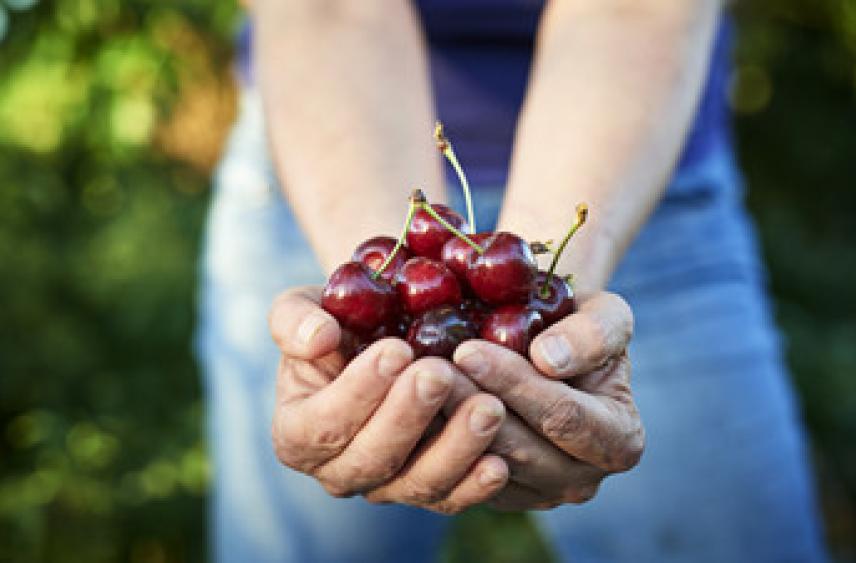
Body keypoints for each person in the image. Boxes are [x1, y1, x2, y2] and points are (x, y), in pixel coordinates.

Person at [196, 1, 829, 561]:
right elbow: (329, 8)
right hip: (332, 160)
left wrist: (542, 304)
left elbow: (633, 8)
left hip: (636, 169)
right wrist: (377, 297)